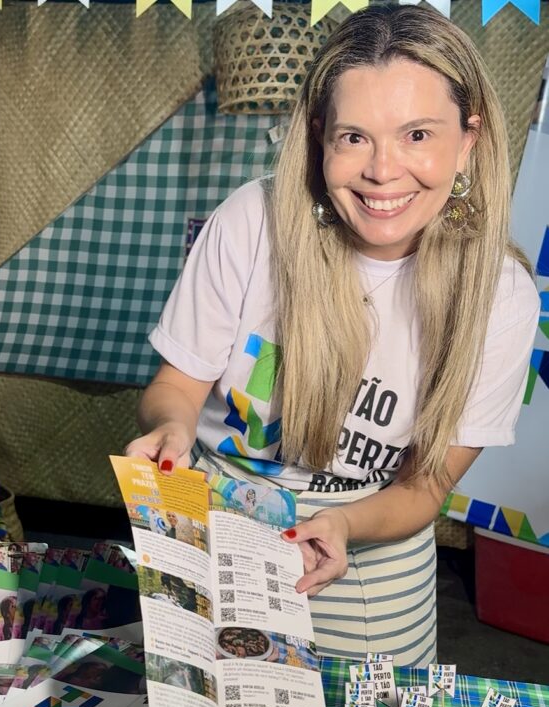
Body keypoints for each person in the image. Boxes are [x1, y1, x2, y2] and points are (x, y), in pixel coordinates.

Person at [125, 5, 539, 667]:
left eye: (417, 134)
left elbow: (425, 487)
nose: (383, 170)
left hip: (371, 546)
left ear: (468, 138)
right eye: (354, 137)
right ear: (319, 136)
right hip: (217, 521)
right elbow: (175, 386)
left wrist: (342, 524)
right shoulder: (251, 222)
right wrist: (171, 430)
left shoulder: (501, 295)